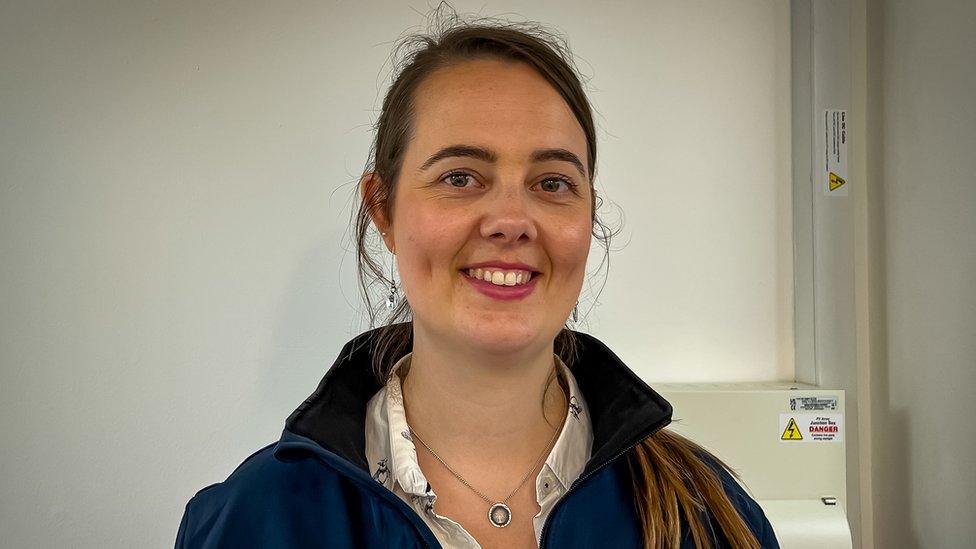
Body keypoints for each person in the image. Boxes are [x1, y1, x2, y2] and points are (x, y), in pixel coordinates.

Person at [175, 11, 779, 549]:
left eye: (552, 183)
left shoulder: (708, 517)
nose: (512, 221)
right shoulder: (256, 522)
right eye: (461, 177)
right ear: (382, 208)